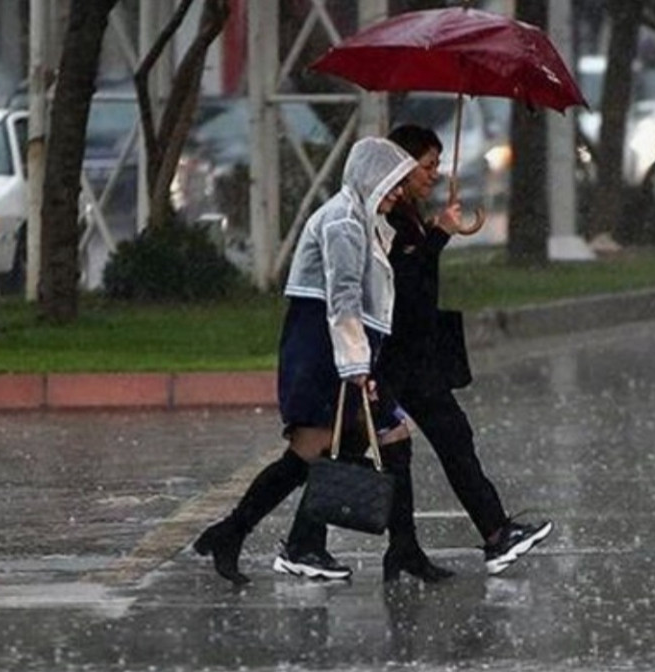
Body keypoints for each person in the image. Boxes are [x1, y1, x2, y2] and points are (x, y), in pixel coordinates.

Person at [194, 137, 418, 585]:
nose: (399, 192)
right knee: (312, 452)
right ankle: (251, 535)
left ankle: (356, 546)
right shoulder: (344, 223)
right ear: (370, 178)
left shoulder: (363, 221)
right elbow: (343, 299)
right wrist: (358, 369)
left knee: (373, 441)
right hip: (323, 351)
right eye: (393, 183)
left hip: (338, 349)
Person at [379, 123, 552, 579]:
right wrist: (437, 236)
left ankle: (483, 534)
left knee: (446, 440)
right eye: (428, 165)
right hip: (395, 354)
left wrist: (438, 231)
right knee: (338, 452)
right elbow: (403, 283)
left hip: (415, 353)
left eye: (438, 164)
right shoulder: (388, 216)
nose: (435, 174)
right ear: (401, 164)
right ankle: (299, 540)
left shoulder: (408, 212)